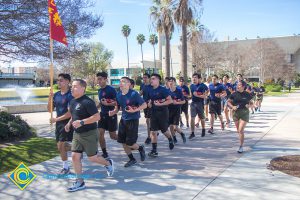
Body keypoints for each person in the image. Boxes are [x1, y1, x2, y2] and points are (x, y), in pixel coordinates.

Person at [66, 79, 114, 192]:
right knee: (74, 156)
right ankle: (80, 182)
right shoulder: (72, 101)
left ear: (83, 88)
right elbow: (74, 115)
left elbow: (97, 117)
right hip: (77, 134)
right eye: (72, 86)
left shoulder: (87, 102)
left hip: (89, 134)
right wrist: (69, 124)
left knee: (92, 158)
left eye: (75, 86)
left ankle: (107, 163)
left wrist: (82, 122)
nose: (72, 88)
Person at [109, 77, 147, 167]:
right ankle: (132, 159)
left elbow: (144, 105)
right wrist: (113, 112)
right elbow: (117, 108)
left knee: (130, 143)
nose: (121, 83)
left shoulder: (134, 94)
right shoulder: (118, 95)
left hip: (133, 120)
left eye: (124, 81)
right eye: (120, 82)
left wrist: (135, 110)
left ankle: (140, 148)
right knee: (123, 141)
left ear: (129, 84)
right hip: (123, 120)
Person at [48, 73, 74, 175]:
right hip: (58, 123)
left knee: (62, 145)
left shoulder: (70, 95)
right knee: (59, 146)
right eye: (58, 80)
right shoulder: (57, 95)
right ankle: (79, 148)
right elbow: (49, 110)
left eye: (61, 80)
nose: (58, 82)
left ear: (67, 81)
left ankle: (66, 168)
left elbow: (70, 113)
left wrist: (56, 119)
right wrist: (50, 98)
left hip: (68, 123)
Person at [147, 73, 174, 157]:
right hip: (153, 113)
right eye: (151, 78)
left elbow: (170, 101)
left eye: (153, 78)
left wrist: (160, 104)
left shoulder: (163, 90)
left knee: (164, 131)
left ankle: (170, 139)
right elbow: (151, 101)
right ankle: (154, 150)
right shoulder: (150, 90)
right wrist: (149, 104)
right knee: (153, 132)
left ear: (158, 80)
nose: (151, 80)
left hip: (163, 113)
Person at [96, 72, 118, 159]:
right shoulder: (99, 90)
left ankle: (127, 141)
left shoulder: (111, 90)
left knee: (113, 136)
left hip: (111, 115)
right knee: (100, 134)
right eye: (98, 79)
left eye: (100, 79)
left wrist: (108, 104)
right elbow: (101, 103)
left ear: (106, 79)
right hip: (102, 115)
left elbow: (117, 102)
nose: (99, 81)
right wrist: (94, 109)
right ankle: (105, 153)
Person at [227, 81, 253, 153]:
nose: (237, 86)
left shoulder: (247, 94)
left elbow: (251, 102)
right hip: (236, 113)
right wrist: (232, 106)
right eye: (237, 85)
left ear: (243, 86)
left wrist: (249, 105)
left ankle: (241, 146)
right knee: (238, 131)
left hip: (244, 113)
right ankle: (241, 139)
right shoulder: (234, 94)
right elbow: (228, 102)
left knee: (241, 130)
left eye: (239, 85)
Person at [168, 77, 187, 144]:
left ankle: (182, 134)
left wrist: (177, 102)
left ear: (174, 82)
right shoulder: (167, 91)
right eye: (169, 81)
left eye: (172, 81)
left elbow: (184, 101)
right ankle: (174, 138)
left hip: (176, 110)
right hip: (169, 111)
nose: (170, 83)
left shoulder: (178, 91)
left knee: (175, 127)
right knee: (170, 126)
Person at [189, 73, 208, 139]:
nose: (194, 79)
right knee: (192, 118)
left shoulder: (203, 85)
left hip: (200, 103)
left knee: (202, 118)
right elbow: (192, 95)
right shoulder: (191, 86)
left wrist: (203, 95)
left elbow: (207, 92)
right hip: (193, 103)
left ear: (199, 79)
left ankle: (203, 129)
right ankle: (192, 133)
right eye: (193, 77)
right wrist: (187, 97)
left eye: (195, 77)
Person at [139, 73, 152, 144]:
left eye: (146, 77)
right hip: (145, 105)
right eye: (143, 77)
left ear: (149, 78)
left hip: (151, 105)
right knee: (148, 121)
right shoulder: (142, 85)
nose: (144, 79)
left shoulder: (152, 85)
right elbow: (140, 94)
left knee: (148, 120)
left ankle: (149, 137)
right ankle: (153, 131)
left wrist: (151, 102)